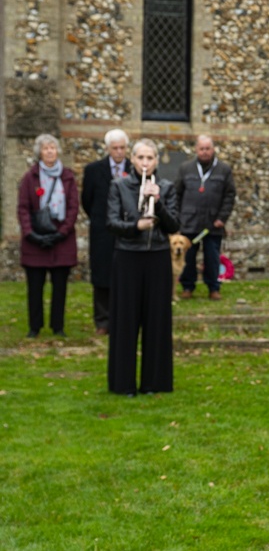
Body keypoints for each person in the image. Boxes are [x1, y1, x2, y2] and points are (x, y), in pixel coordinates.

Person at [106, 139, 180, 396]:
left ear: (156, 161)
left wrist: (157, 202)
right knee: (125, 320)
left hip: (157, 257)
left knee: (156, 320)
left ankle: (154, 382)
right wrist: (135, 227)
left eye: (150, 158)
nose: (145, 163)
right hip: (128, 257)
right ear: (133, 160)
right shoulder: (119, 186)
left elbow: (173, 225)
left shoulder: (167, 187)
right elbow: (111, 222)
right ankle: (123, 383)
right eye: (141, 158)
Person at [17, 134, 79, 338]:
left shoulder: (68, 176)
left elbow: (73, 207)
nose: (50, 151)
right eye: (46, 148)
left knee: (60, 287)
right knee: (35, 287)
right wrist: (31, 234)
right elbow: (23, 208)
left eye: (53, 148)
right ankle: (35, 327)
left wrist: (62, 233)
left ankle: (57, 326)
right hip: (35, 241)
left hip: (62, 240)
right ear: (39, 153)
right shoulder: (29, 178)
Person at [82, 128, 132, 335]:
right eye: (115, 148)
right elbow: (87, 200)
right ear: (108, 149)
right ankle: (103, 320)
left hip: (128, 230)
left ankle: (125, 318)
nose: (119, 152)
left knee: (127, 274)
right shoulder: (94, 170)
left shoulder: (135, 168)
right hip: (102, 230)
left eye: (122, 148)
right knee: (102, 274)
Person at [175, 135, 237, 300]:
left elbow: (229, 196)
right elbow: (177, 194)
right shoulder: (185, 168)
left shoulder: (224, 169)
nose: (204, 152)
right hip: (189, 222)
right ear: (196, 149)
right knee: (188, 257)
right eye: (201, 149)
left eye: (207, 148)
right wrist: (178, 217)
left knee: (212, 257)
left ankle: (213, 288)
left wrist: (222, 218)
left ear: (213, 149)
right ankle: (187, 287)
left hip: (213, 223)